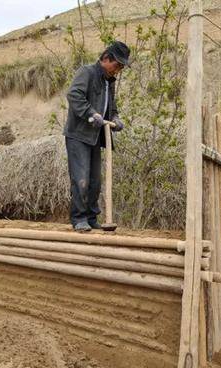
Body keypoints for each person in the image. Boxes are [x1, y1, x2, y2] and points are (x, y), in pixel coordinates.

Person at [63, 40, 130, 232]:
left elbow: (111, 107)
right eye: (117, 65)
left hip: (95, 137)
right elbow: (74, 95)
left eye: (121, 67)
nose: (117, 70)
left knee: (94, 181)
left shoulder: (109, 82)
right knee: (81, 178)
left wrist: (115, 118)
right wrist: (91, 113)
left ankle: (91, 217)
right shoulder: (87, 72)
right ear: (106, 58)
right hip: (78, 135)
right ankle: (79, 218)